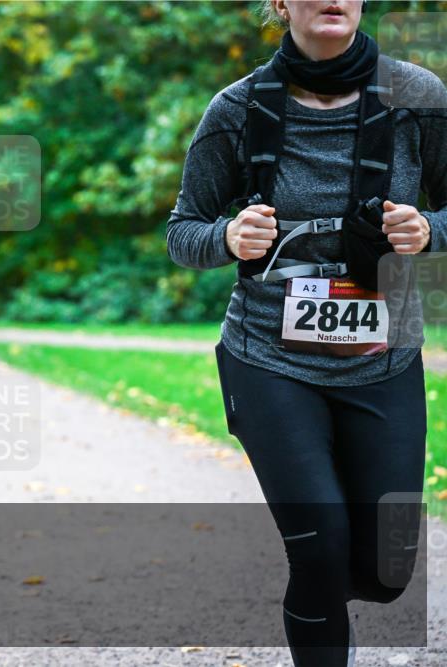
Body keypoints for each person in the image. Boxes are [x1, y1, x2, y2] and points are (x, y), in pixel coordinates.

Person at [166, 1, 445, 665]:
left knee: (385, 565)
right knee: (319, 547)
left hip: (384, 359)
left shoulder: (421, 98)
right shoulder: (235, 109)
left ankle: (334, 602)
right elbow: (184, 230)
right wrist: (227, 237)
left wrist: (433, 230)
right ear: (281, 4)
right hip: (269, 360)